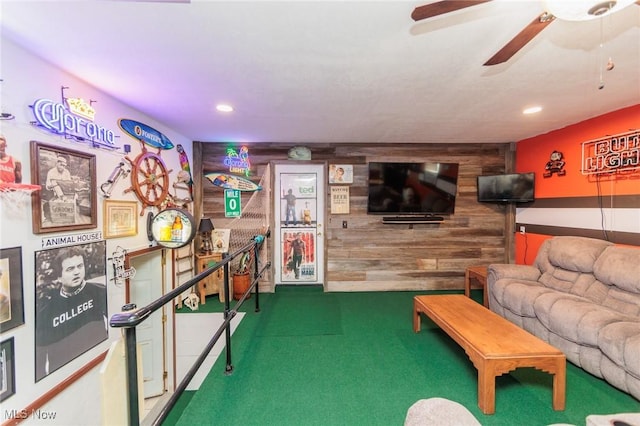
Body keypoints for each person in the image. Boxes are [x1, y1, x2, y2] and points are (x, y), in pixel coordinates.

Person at [35, 246, 108, 381]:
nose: (77, 272)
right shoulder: (47, 309)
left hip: (98, 363)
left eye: (80, 266)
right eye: (70, 269)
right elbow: (40, 354)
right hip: (64, 377)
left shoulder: (99, 292)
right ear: (59, 276)